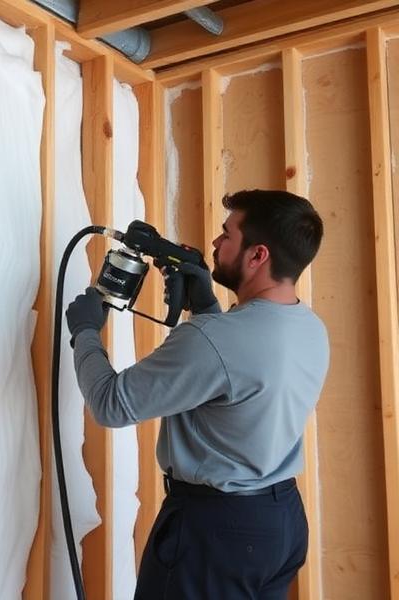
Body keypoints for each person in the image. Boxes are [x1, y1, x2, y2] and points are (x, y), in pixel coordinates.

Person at [65, 189, 329, 599]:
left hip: (215, 533)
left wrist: (84, 332)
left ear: (257, 255)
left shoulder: (213, 341)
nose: (215, 244)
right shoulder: (310, 329)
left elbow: (111, 404)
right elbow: (236, 384)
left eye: (227, 234)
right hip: (280, 526)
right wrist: (205, 306)